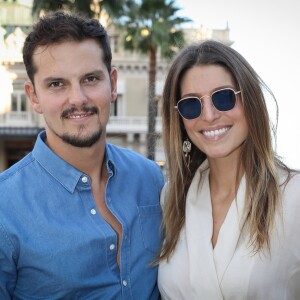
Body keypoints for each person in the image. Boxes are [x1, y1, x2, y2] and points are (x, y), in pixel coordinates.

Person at [0, 11, 164, 299]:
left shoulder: (150, 178)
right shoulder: (4, 206)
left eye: (90, 79)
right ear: (34, 96)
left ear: (112, 84)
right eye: (56, 84)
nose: (77, 98)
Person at [157, 40, 300, 299]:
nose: (209, 115)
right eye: (191, 105)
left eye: (223, 97)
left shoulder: (294, 197)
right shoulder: (171, 199)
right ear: (180, 119)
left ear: (251, 101)